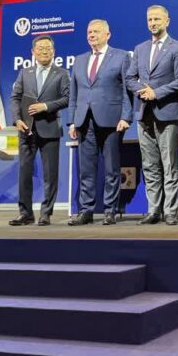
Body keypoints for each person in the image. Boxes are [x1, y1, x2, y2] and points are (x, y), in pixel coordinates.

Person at [127, 5, 178, 226]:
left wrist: (156, 93)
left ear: (167, 21)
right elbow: (129, 78)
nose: (153, 23)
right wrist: (142, 91)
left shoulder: (177, 47)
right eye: (150, 20)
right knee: (150, 166)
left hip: (168, 113)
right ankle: (153, 210)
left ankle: (170, 211)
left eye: (157, 19)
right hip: (144, 113)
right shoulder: (140, 48)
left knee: (170, 164)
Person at [67, 19, 132, 226]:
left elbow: (127, 90)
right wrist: (71, 121)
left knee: (112, 169)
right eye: (89, 32)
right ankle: (85, 211)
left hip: (111, 120)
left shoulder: (121, 56)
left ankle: (110, 210)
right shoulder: (79, 60)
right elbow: (74, 94)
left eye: (96, 31)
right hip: (84, 121)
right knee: (86, 170)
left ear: (107, 35)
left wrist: (126, 116)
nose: (92, 35)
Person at [8, 35, 71, 226]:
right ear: (33, 52)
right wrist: (17, 120)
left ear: (54, 52)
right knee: (24, 172)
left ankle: (46, 213)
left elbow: (68, 98)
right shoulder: (24, 73)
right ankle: (25, 214)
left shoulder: (62, 73)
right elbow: (15, 98)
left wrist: (46, 106)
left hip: (50, 128)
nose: (44, 51)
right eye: (40, 48)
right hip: (26, 129)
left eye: (48, 48)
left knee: (50, 174)